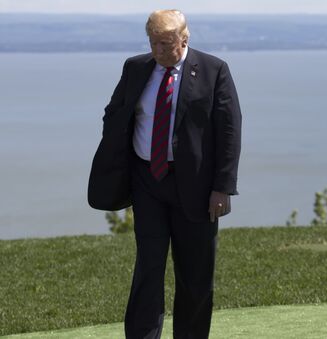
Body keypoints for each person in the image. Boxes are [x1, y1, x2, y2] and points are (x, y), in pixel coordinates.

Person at [87, 9, 242, 338]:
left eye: (166, 43)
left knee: (195, 275)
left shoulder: (215, 70)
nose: (158, 50)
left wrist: (222, 188)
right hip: (148, 182)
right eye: (154, 42)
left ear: (184, 39)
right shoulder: (135, 68)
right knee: (148, 268)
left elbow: (229, 131)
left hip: (197, 189)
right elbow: (115, 112)